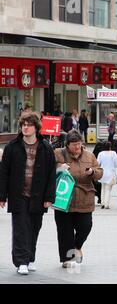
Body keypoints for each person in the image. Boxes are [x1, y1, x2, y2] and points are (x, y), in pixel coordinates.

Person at [0, 112, 56, 275]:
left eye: (29, 124)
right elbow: (3, 172)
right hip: (18, 195)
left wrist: (49, 197)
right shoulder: (12, 147)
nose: (25, 127)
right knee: (20, 228)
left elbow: (51, 174)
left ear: (36, 128)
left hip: (38, 195)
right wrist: (2, 196)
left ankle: (30, 258)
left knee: (34, 227)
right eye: (23, 124)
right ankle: (21, 261)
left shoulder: (45, 147)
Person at [54, 130, 103, 268]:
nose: (77, 147)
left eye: (79, 144)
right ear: (67, 145)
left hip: (85, 197)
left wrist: (93, 172)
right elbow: (47, 169)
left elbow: (100, 172)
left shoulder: (89, 155)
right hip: (63, 198)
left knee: (86, 226)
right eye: (74, 144)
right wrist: (59, 167)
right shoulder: (58, 153)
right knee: (65, 231)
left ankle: (77, 246)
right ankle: (67, 258)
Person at [97, 142, 117, 210]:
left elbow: (98, 163)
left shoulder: (100, 153)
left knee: (102, 188)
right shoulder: (113, 153)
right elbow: (116, 164)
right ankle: (106, 204)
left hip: (102, 173)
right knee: (108, 189)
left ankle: (102, 203)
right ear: (110, 147)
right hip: (110, 173)